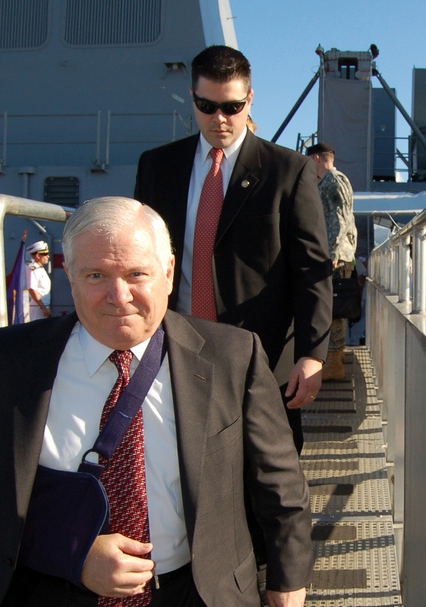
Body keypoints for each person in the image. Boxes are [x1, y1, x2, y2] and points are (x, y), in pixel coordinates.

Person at [0, 197, 313, 607]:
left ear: (168, 273)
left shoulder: (233, 355)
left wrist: (288, 577)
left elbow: (279, 477)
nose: (118, 296)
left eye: (137, 274)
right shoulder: (2, 364)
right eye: (96, 276)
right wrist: (72, 551)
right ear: (69, 275)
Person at [134, 45, 332, 453]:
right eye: (207, 106)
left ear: (251, 99)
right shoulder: (157, 167)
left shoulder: (288, 171)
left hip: (262, 354)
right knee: (178, 465)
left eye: (232, 106)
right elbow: (142, 260)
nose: (220, 118)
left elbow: (311, 269)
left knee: (269, 477)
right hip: (175, 349)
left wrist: (312, 355)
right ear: (192, 97)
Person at [306, 142, 357, 380]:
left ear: (316, 159)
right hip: (335, 254)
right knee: (332, 307)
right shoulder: (329, 181)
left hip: (336, 256)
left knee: (333, 309)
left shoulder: (334, 181)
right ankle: (335, 359)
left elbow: (341, 218)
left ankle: (335, 363)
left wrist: (334, 253)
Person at [25, 240, 52, 321]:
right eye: (45, 254)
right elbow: (32, 289)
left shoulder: (40, 269)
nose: (48, 256)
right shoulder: (32, 269)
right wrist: (43, 308)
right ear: (38, 256)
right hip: (36, 309)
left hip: (42, 307)